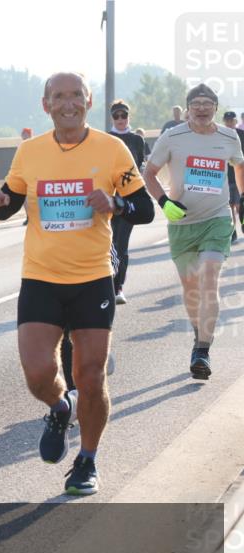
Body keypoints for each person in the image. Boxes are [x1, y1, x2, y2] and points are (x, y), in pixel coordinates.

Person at [0, 72, 155, 495]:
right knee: (38, 373)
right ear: (46, 105)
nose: (68, 103)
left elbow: (145, 209)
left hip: (92, 277)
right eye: (58, 96)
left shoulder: (112, 149)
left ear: (88, 101)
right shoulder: (30, 151)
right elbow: (10, 202)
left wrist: (114, 202)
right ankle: (60, 407)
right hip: (41, 277)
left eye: (76, 95)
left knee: (92, 376)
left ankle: (87, 462)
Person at [143, 84, 244, 380]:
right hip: (182, 224)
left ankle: (202, 350)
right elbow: (148, 173)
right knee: (191, 289)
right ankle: (200, 333)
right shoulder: (172, 137)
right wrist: (163, 202)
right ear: (188, 108)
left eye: (207, 103)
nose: (202, 108)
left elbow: (240, 166)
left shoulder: (229, 137)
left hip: (216, 219)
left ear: (215, 107)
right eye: (196, 103)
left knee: (209, 278)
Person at [107, 99, 148, 304]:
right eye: (116, 116)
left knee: (121, 245)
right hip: (107, 200)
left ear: (128, 117)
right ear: (112, 118)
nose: (121, 119)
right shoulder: (105, 139)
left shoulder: (137, 140)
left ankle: (118, 287)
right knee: (107, 244)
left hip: (128, 200)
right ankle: (104, 284)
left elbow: (141, 167)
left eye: (124, 115)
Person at [222, 111, 244, 231]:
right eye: (227, 121)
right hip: (226, 177)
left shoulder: (241, 134)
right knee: (229, 206)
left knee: (240, 205)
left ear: (235, 121)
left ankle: (242, 224)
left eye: (232, 121)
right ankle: (233, 231)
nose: (229, 123)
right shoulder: (220, 136)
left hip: (240, 176)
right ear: (224, 122)